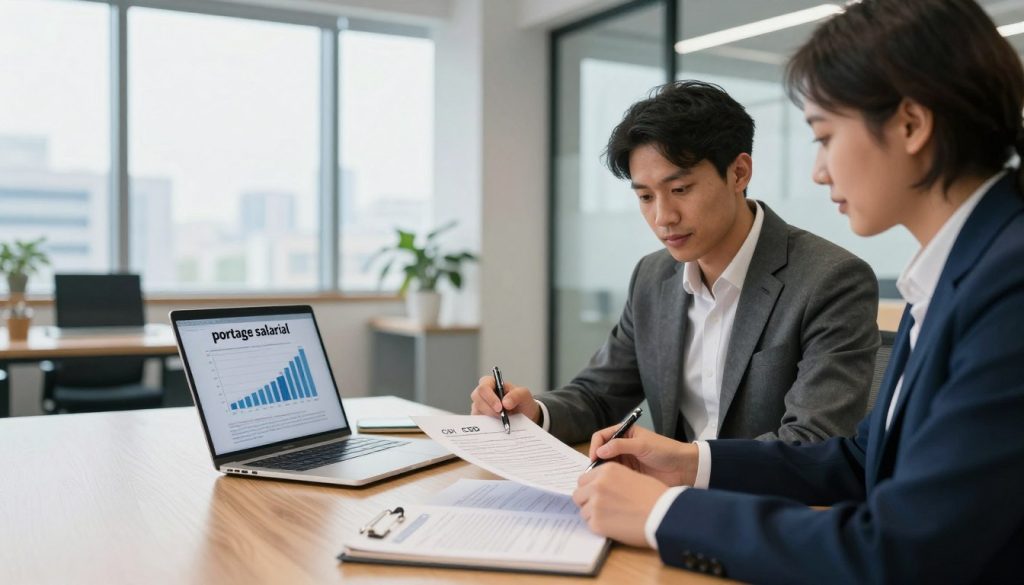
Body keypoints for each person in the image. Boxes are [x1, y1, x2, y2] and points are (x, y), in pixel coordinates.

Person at [571, 0, 1024, 582]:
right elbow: (863, 461)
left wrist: (665, 514)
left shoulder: (1007, 286)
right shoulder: (955, 271)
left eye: (825, 135)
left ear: (911, 125)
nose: (817, 171)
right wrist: (691, 463)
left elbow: (904, 552)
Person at [471, 81, 879, 445]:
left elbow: (813, 442)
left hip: (764, 511)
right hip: (667, 502)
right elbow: (598, 395)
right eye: (646, 197)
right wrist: (535, 413)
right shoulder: (653, 276)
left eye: (680, 188)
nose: (663, 217)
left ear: (739, 173)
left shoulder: (830, 280)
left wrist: (685, 467)